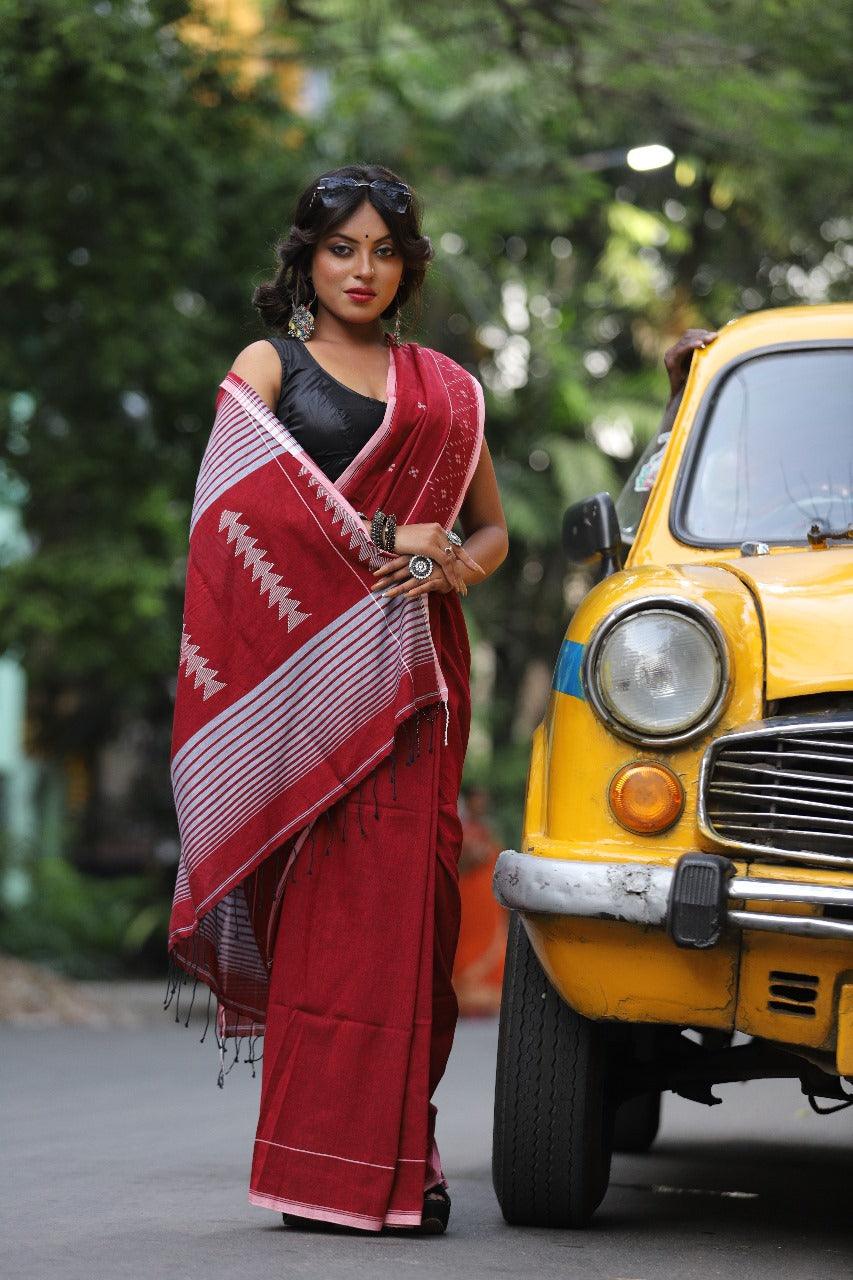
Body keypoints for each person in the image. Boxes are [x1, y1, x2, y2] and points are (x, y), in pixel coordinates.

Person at [165, 163, 509, 1236]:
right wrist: (378, 537)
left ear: (409, 263)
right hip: (296, 689)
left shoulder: (445, 392)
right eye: (341, 247)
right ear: (306, 258)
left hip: (414, 683)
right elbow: (236, 512)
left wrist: (459, 564)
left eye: (384, 249)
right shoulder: (269, 363)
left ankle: (412, 1142)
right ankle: (321, 1161)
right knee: (328, 929)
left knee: (411, 923)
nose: (363, 269)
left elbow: (491, 530)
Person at [452, 785, 507, 1016]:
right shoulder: (458, 829)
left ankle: (477, 995)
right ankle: (464, 994)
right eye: (477, 799)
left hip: (486, 905)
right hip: (467, 902)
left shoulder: (488, 830)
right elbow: (464, 860)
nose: (481, 804)